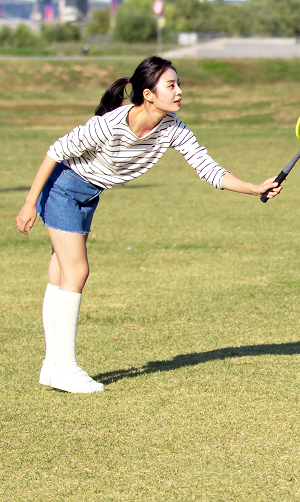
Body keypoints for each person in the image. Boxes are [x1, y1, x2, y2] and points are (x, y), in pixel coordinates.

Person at [15, 56, 281, 394]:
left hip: (88, 194)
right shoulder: (111, 124)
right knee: (77, 272)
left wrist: (254, 187)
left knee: (60, 274)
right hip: (62, 188)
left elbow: (208, 169)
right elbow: (55, 151)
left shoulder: (172, 127)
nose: (179, 91)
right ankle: (65, 367)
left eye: (178, 83)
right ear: (148, 94)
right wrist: (28, 203)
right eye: (171, 85)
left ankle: (53, 365)